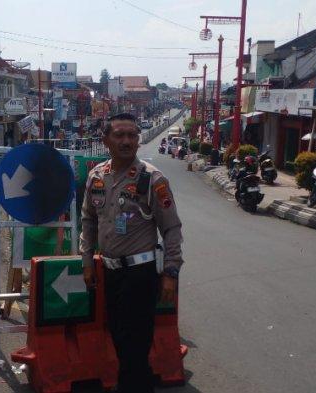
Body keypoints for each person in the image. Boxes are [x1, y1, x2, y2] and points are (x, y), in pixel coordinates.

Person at [80, 113, 183, 393]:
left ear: (138, 140)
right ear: (106, 140)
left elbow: (171, 228)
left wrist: (171, 273)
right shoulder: (96, 176)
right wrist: (87, 260)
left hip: (140, 274)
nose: (126, 141)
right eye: (119, 135)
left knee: (135, 345)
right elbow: (88, 219)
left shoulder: (152, 179)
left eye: (132, 135)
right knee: (119, 339)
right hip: (109, 272)